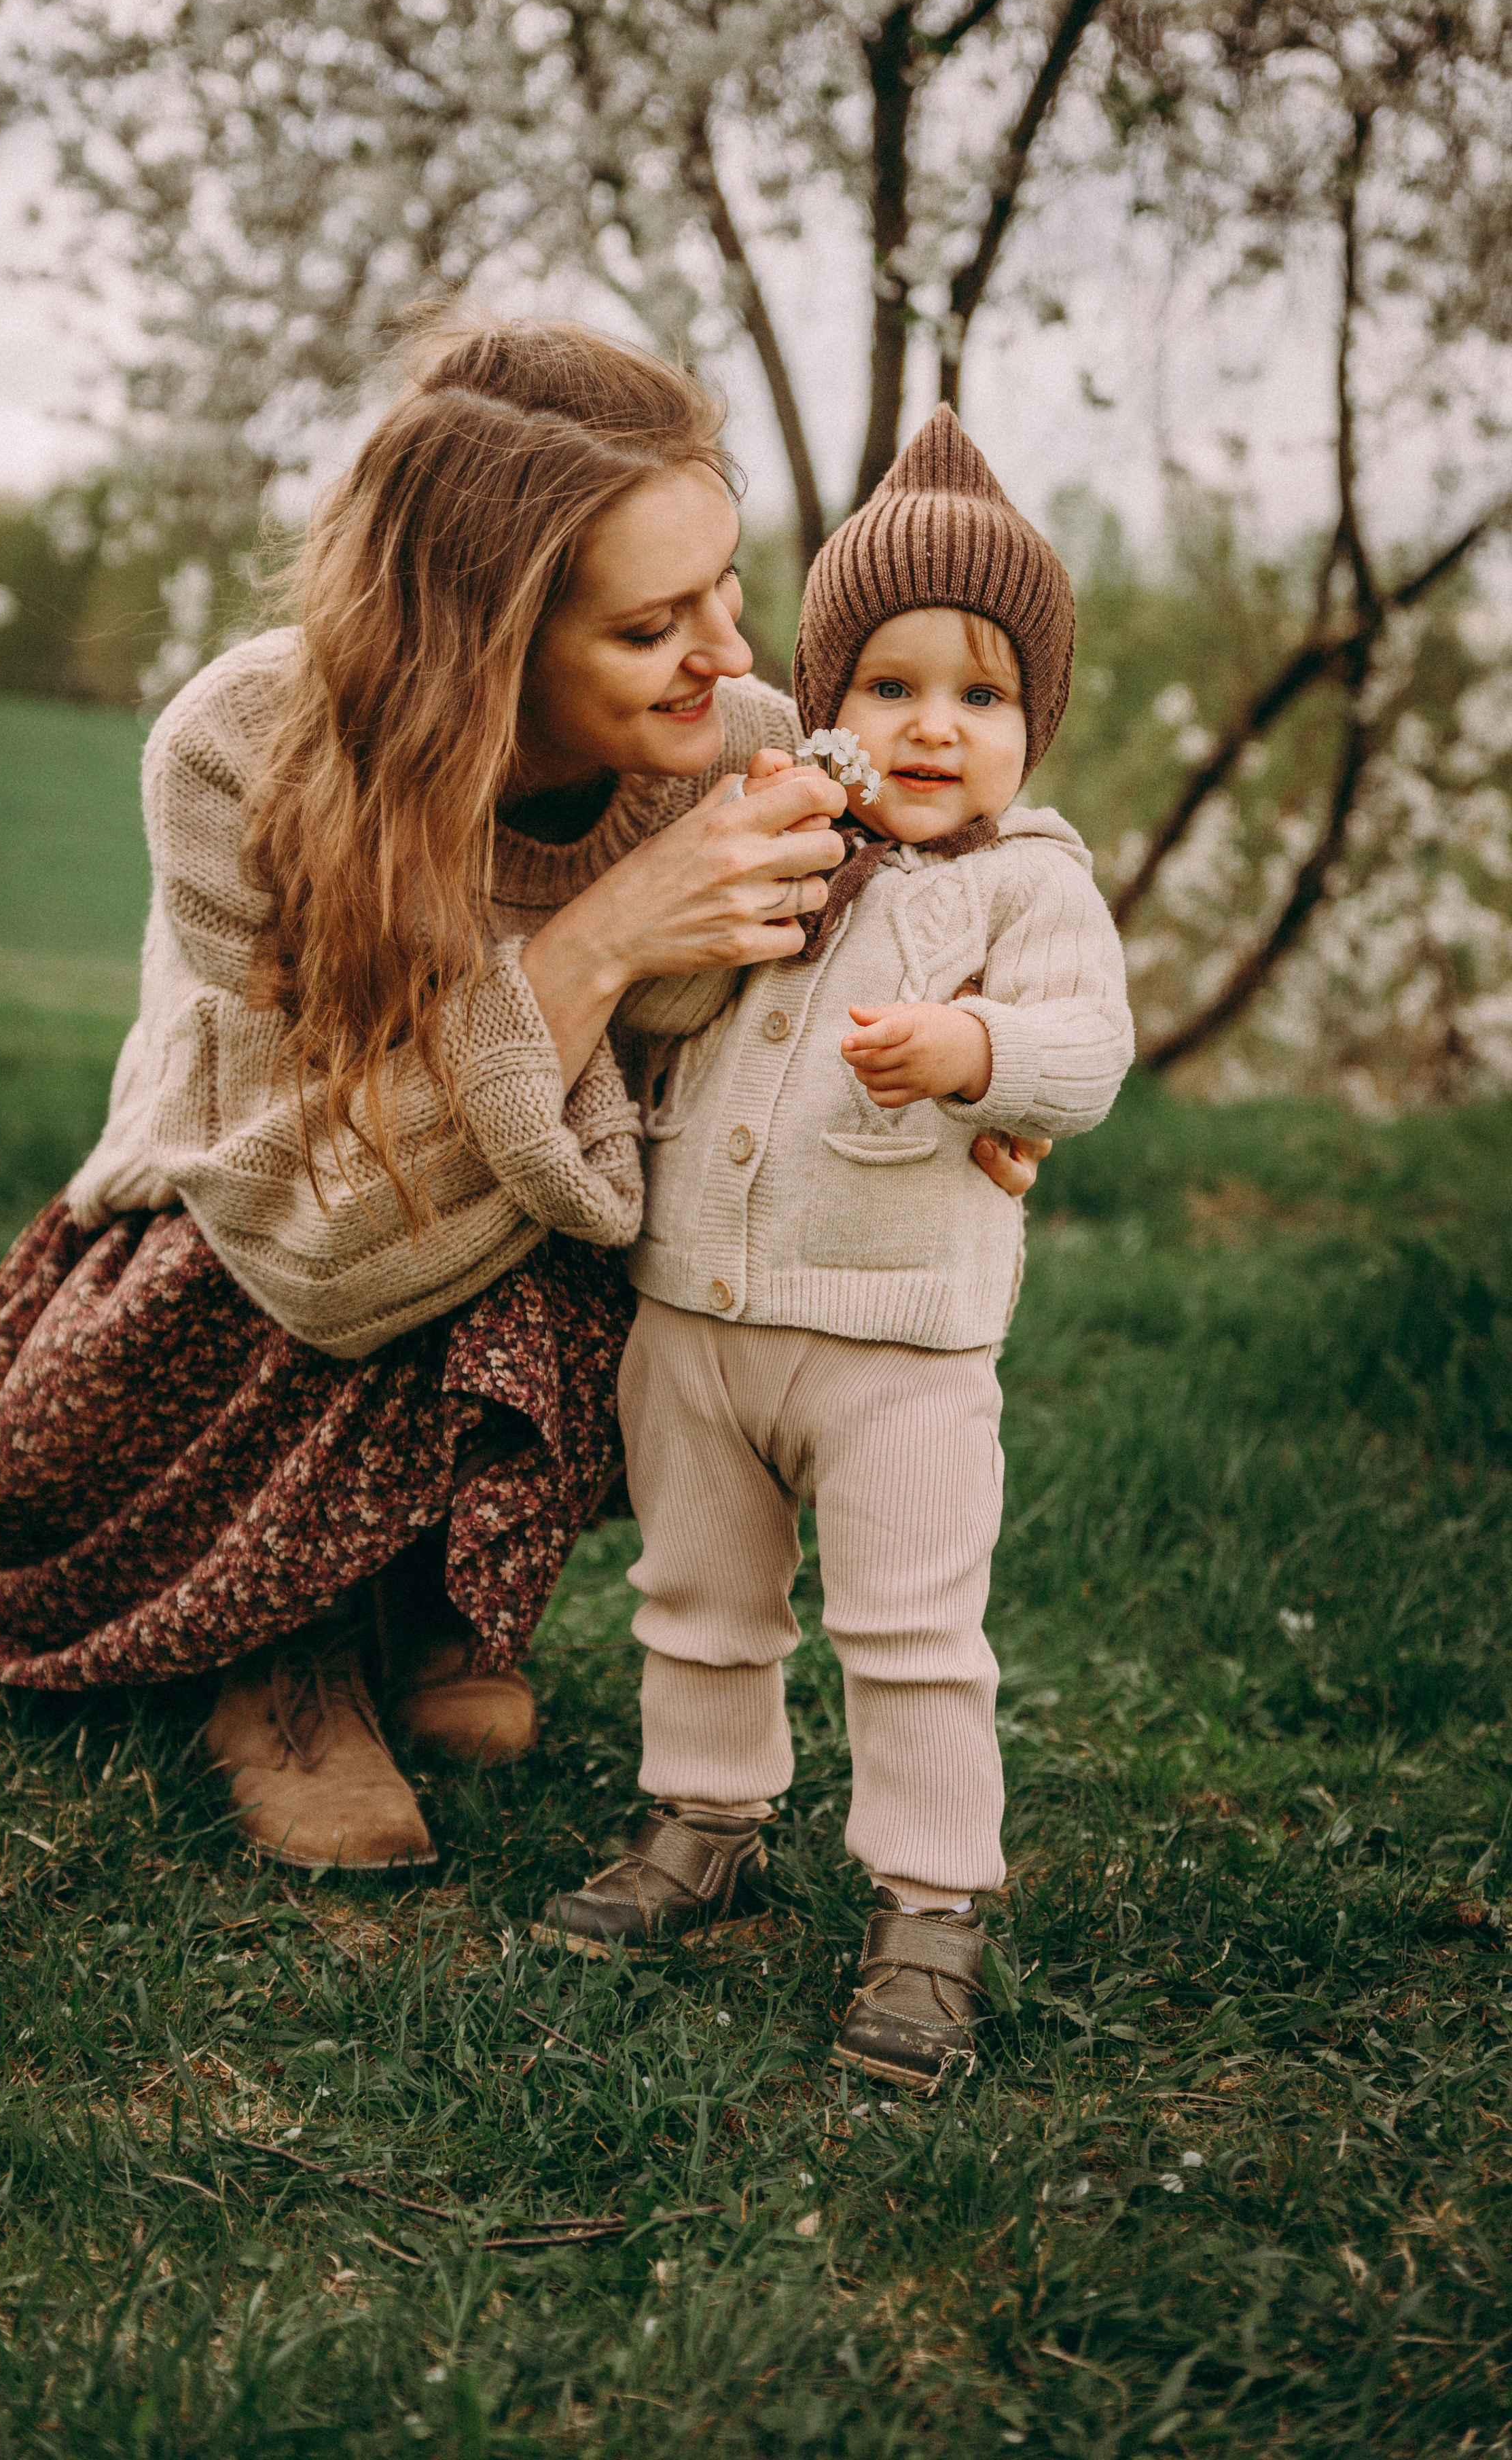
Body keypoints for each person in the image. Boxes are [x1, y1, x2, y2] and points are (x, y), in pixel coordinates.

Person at [0, 323, 1049, 1877]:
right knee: (371, 1222)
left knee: (618, 1245)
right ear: (483, 645)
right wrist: (606, 938)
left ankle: (431, 1608)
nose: (732, 657)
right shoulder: (244, 754)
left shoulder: (737, 748)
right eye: (654, 623)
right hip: (237, 1266)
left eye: (726, 587)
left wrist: (981, 1056)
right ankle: (284, 1658)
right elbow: (312, 1235)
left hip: (540, 1250)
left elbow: (950, 876)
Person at [539, 406, 1134, 2093]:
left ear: (1035, 721)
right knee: (698, 1594)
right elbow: (654, 1004)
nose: (931, 727)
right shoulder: (771, 824)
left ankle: (928, 1910)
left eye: (979, 694)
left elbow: (1086, 1054)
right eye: (887, 686)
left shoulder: (1030, 885)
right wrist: (733, 888)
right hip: (698, 1320)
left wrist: (977, 1059)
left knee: (910, 1630)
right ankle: (699, 1818)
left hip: (896, 1347)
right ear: (822, 700)